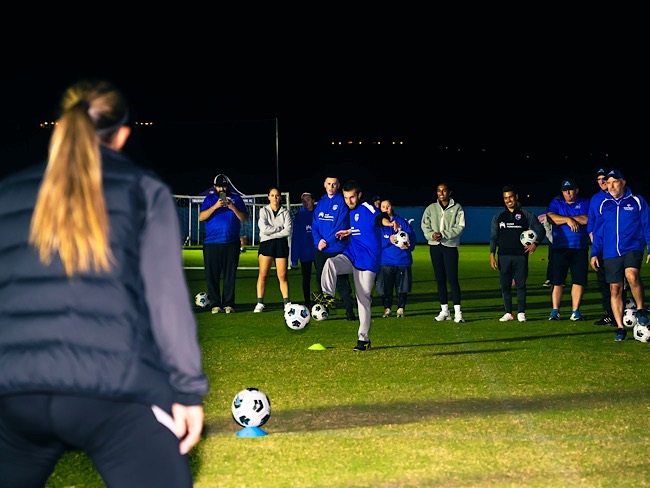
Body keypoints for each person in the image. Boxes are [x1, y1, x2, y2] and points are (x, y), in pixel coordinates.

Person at [0, 79, 208, 487]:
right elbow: (166, 302)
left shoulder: (8, 193)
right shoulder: (142, 190)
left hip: (14, 392)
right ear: (123, 134)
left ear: (60, 126)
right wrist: (186, 391)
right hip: (112, 386)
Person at [314, 180, 391, 350]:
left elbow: (379, 218)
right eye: (346, 197)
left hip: (368, 260)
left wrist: (389, 223)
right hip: (352, 254)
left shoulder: (367, 207)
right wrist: (349, 232)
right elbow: (361, 227)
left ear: (359, 196)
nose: (349, 201)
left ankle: (363, 339)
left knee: (363, 299)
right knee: (331, 263)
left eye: (352, 197)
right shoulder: (351, 211)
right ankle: (327, 297)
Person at [590, 169, 650, 342]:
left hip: (632, 247)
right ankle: (620, 328)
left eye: (615, 181)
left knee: (632, 275)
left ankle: (640, 309)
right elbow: (599, 232)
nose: (611, 185)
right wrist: (595, 253)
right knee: (614, 289)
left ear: (623, 182)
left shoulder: (637, 201)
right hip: (610, 252)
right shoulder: (604, 205)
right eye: (608, 182)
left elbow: (647, 225)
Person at [489, 185, 545, 322]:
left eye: (511, 197)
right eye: (505, 198)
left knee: (520, 285)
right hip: (503, 256)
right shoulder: (499, 217)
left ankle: (521, 312)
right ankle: (508, 312)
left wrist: (535, 243)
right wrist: (492, 254)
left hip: (520, 256)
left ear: (516, 197)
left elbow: (541, 230)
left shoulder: (526, 215)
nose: (508, 200)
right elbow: (493, 237)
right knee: (505, 286)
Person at [199, 173, 249, 314]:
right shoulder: (209, 200)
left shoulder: (236, 199)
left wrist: (233, 207)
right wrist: (215, 206)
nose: (222, 189)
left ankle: (228, 304)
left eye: (224, 186)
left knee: (229, 276)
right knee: (212, 275)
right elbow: (201, 217)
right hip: (211, 244)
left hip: (231, 243)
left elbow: (245, 218)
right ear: (215, 187)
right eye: (219, 186)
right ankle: (215, 304)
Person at [311, 175, 356, 321]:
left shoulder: (342, 202)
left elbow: (341, 226)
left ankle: (349, 310)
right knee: (321, 281)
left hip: (336, 248)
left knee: (342, 282)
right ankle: (324, 311)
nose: (331, 187)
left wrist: (327, 241)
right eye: (329, 184)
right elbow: (315, 224)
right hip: (321, 249)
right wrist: (318, 241)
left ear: (338, 186)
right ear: (324, 185)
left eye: (334, 184)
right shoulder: (321, 202)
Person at [421, 181, 467, 323]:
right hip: (435, 247)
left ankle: (458, 312)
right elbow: (425, 225)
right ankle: (444, 311)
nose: (441, 193)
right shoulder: (431, 208)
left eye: (444, 190)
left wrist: (444, 234)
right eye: (438, 190)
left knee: (452, 279)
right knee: (440, 279)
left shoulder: (457, 208)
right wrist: (432, 235)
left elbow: (460, 227)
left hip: (450, 247)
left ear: (449, 192)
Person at [546, 178, 590, 321]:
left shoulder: (584, 202)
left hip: (579, 248)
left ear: (576, 190)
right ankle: (555, 310)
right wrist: (568, 220)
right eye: (565, 190)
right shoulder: (557, 202)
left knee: (578, 280)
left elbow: (587, 219)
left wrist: (566, 218)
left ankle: (575, 311)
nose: (568, 193)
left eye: (570, 189)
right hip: (560, 247)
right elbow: (551, 217)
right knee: (557, 280)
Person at [588, 167, 620, 326]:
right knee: (604, 283)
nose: (601, 182)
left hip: (616, 247)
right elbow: (592, 220)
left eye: (604, 179)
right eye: (599, 180)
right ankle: (609, 314)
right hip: (600, 246)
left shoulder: (619, 196)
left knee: (618, 282)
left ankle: (620, 315)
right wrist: (591, 234)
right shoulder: (595, 199)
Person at [254, 187, 293, 312]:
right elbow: (264, 229)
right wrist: (278, 229)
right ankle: (260, 303)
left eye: (277, 196)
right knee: (263, 274)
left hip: (281, 245)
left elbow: (288, 230)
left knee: (282, 276)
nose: (275, 198)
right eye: (272, 195)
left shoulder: (285, 212)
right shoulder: (263, 211)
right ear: (268, 197)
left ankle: (287, 303)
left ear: (280, 197)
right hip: (266, 244)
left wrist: (273, 232)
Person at [377, 198, 417, 318]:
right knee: (386, 287)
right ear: (380, 209)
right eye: (383, 207)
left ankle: (401, 308)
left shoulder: (402, 222)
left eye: (388, 206)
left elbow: (412, 238)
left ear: (392, 207)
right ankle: (387, 309)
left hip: (402, 261)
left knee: (402, 287)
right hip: (385, 261)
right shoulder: (378, 225)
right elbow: (375, 242)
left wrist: (409, 246)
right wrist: (388, 240)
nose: (386, 209)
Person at [290, 191, 317, 309]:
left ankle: (324, 299)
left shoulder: (318, 214)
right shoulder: (299, 216)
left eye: (308, 199)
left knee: (322, 277)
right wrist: (294, 259)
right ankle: (307, 301)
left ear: (313, 200)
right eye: (303, 200)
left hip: (319, 251)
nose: (306, 202)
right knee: (306, 278)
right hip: (305, 252)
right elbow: (296, 237)